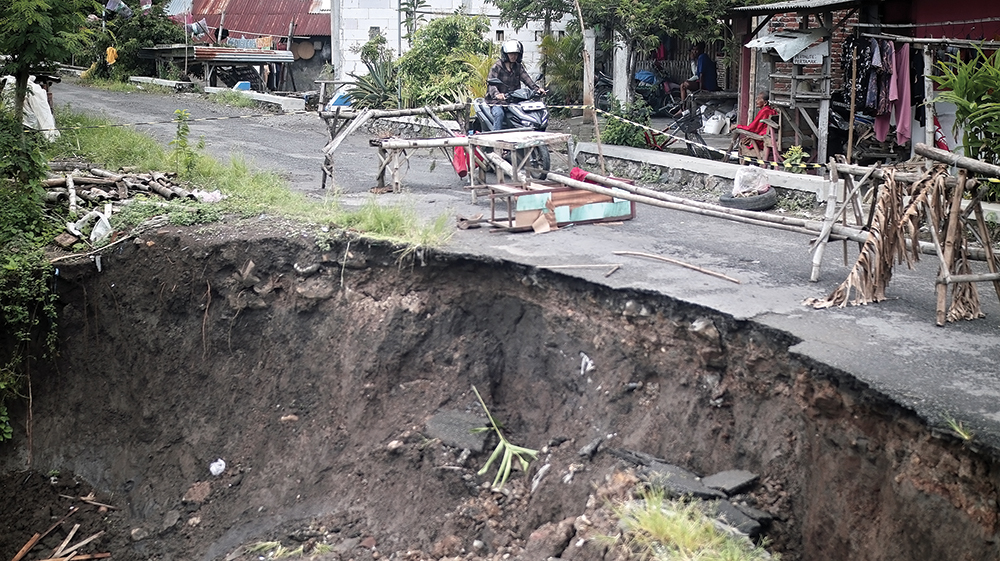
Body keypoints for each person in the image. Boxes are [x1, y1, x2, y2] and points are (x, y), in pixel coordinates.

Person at [486, 40, 544, 131]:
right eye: (511, 54)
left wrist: (537, 89)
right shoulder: (497, 67)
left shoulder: (518, 67)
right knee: (499, 114)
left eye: (516, 54)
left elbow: (526, 79)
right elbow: (491, 84)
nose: (514, 56)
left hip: (514, 100)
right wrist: (497, 95)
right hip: (497, 102)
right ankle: (495, 138)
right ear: (505, 54)